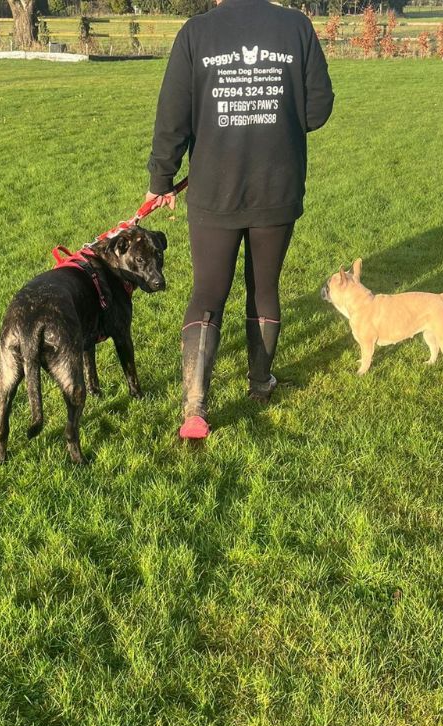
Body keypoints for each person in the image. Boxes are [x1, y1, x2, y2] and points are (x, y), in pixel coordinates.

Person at [146, 0, 334, 439]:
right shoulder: (296, 26)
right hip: (278, 184)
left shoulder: (196, 33)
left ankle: (195, 405)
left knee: (207, 293)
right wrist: (276, 120)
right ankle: (260, 384)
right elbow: (318, 107)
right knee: (264, 288)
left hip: (215, 188)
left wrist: (161, 180)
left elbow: (173, 113)